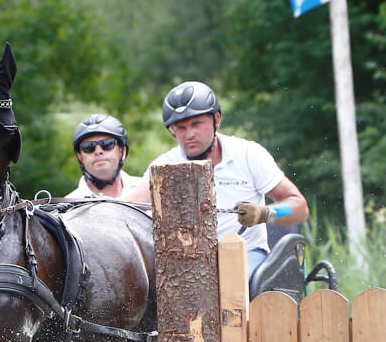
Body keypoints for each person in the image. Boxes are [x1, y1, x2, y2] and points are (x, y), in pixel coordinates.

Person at [121, 81, 309, 276]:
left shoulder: (248, 154)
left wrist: (265, 213)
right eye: (180, 128)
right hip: (186, 264)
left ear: (216, 119)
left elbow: (300, 207)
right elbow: (126, 207)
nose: (189, 134)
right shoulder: (164, 166)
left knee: (232, 285)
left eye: (196, 124)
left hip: (246, 254)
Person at [68, 114, 141, 199]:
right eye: (88, 147)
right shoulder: (65, 208)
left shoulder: (150, 191)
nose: (98, 151)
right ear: (80, 157)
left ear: (122, 152)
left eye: (107, 144)